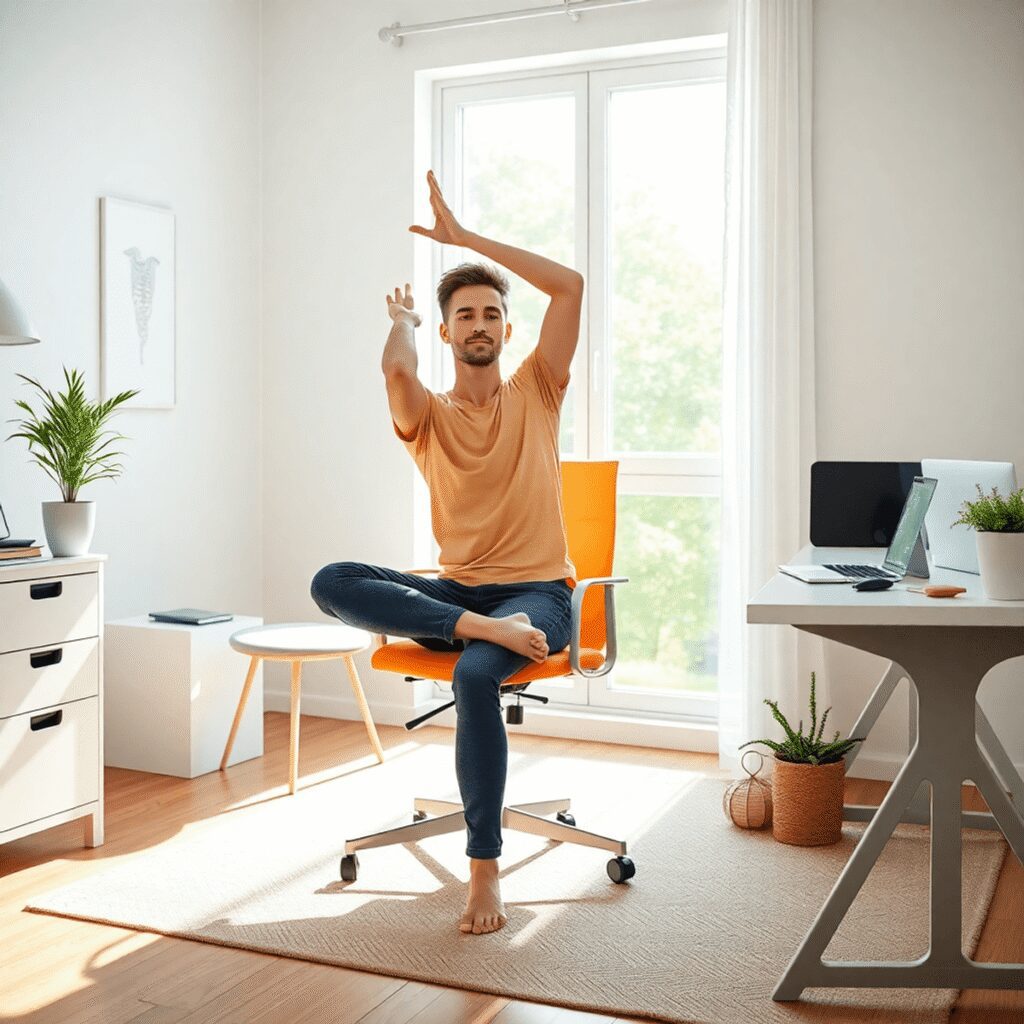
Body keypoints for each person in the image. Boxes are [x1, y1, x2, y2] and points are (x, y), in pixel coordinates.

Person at [310, 169, 584, 935]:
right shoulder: (426, 417)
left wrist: (465, 240)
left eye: (493, 313)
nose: (481, 323)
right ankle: (480, 632)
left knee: (473, 677)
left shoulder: (538, 390)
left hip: (538, 599)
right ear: (448, 331)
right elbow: (397, 371)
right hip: (462, 600)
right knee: (331, 579)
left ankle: (484, 871)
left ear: (504, 328)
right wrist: (399, 322)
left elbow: (569, 287)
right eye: (465, 313)